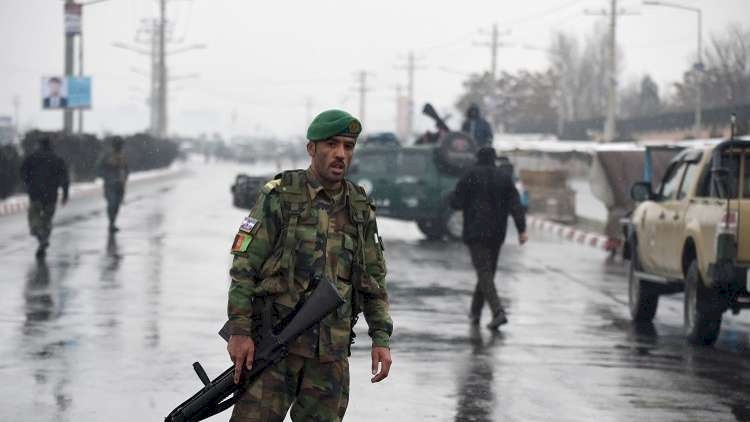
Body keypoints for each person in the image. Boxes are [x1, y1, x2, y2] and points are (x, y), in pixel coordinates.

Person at [226, 109, 393, 421]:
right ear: (311, 148)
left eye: (348, 146)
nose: (340, 154)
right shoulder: (281, 197)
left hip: (329, 357)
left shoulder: (359, 207)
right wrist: (240, 330)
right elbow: (244, 264)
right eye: (331, 144)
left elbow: (373, 279)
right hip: (276, 350)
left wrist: (381, 338)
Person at [450, 147, 527, 330]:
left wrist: (463, 200)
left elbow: (455, 202)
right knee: (487, 273)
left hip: (475, 232)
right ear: (494, 159)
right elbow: (516, 205)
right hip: (496, 233)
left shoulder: (469, 175)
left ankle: (498, 311)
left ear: (478, 158)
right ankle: (475, 312)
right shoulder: (504, 178)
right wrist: (521, 230)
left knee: (484, 273)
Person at [19, 136, 70, 259]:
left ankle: (41, 238)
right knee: (47, 220)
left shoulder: (32, 158)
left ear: (39, 145)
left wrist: (29, 185)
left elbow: (23, 173)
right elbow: (65, 178)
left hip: (35, 195)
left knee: (34, 221)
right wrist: (65, 194)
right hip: (51, 196)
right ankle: (44, 239)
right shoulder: (57, 160)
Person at [96, 136, 129, 233]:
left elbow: (126, 168)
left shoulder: (123, 155)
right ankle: (111, 223)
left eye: (121, 144)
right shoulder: (107, 155)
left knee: (117, 204)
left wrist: (125, 177)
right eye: (118, 144)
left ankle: (113, 222)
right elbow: (99, 167)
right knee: (112, 203)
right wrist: (106, 176)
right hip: (110, 184)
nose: (119, 146)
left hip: (120, 184)